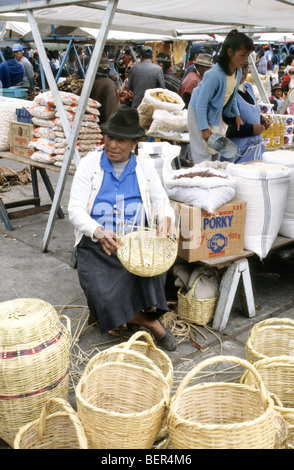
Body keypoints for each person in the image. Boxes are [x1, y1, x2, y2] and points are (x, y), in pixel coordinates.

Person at [68, 105, 177, 351]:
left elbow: (162, 204)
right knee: (102, 295)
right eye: (110, 137)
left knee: (150, 273)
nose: (113, 145)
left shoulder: (144, 168)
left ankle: (129, 314)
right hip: (97, 244)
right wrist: (98, 230)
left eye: (121, 140)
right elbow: (74, 209)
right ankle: (150, 323)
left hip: (135, 243)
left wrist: (165, 218)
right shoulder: (90, 164)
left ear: (134, 144)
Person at [187, 29, 255, 164]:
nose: (244, 60)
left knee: (216, 150)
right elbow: (201, 103)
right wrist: (204, 129)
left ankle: (214, 179)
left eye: (247, 56)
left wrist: (236, 115)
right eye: (242, 55)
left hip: (214, 113)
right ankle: (203, 179)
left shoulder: (237, 71)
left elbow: (231, 95)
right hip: (198, 112)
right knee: (203, 153)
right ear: (229, 52)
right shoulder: (215, 75)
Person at [224, 62, 272, 163]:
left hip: (254, 152)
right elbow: (224, 129)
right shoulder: (227, 92)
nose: (243, 71)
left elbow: (251, 112)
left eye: (245, 67)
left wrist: (261, 119)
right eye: (239, 67)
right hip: (237, 155)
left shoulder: (248, 88)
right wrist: (251, 129)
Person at [89, 57, 119, 125]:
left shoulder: (90, 83)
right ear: (108, 71)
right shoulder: (109, 84)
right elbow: (112, 108)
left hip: (91, 123)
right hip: (104, 124)